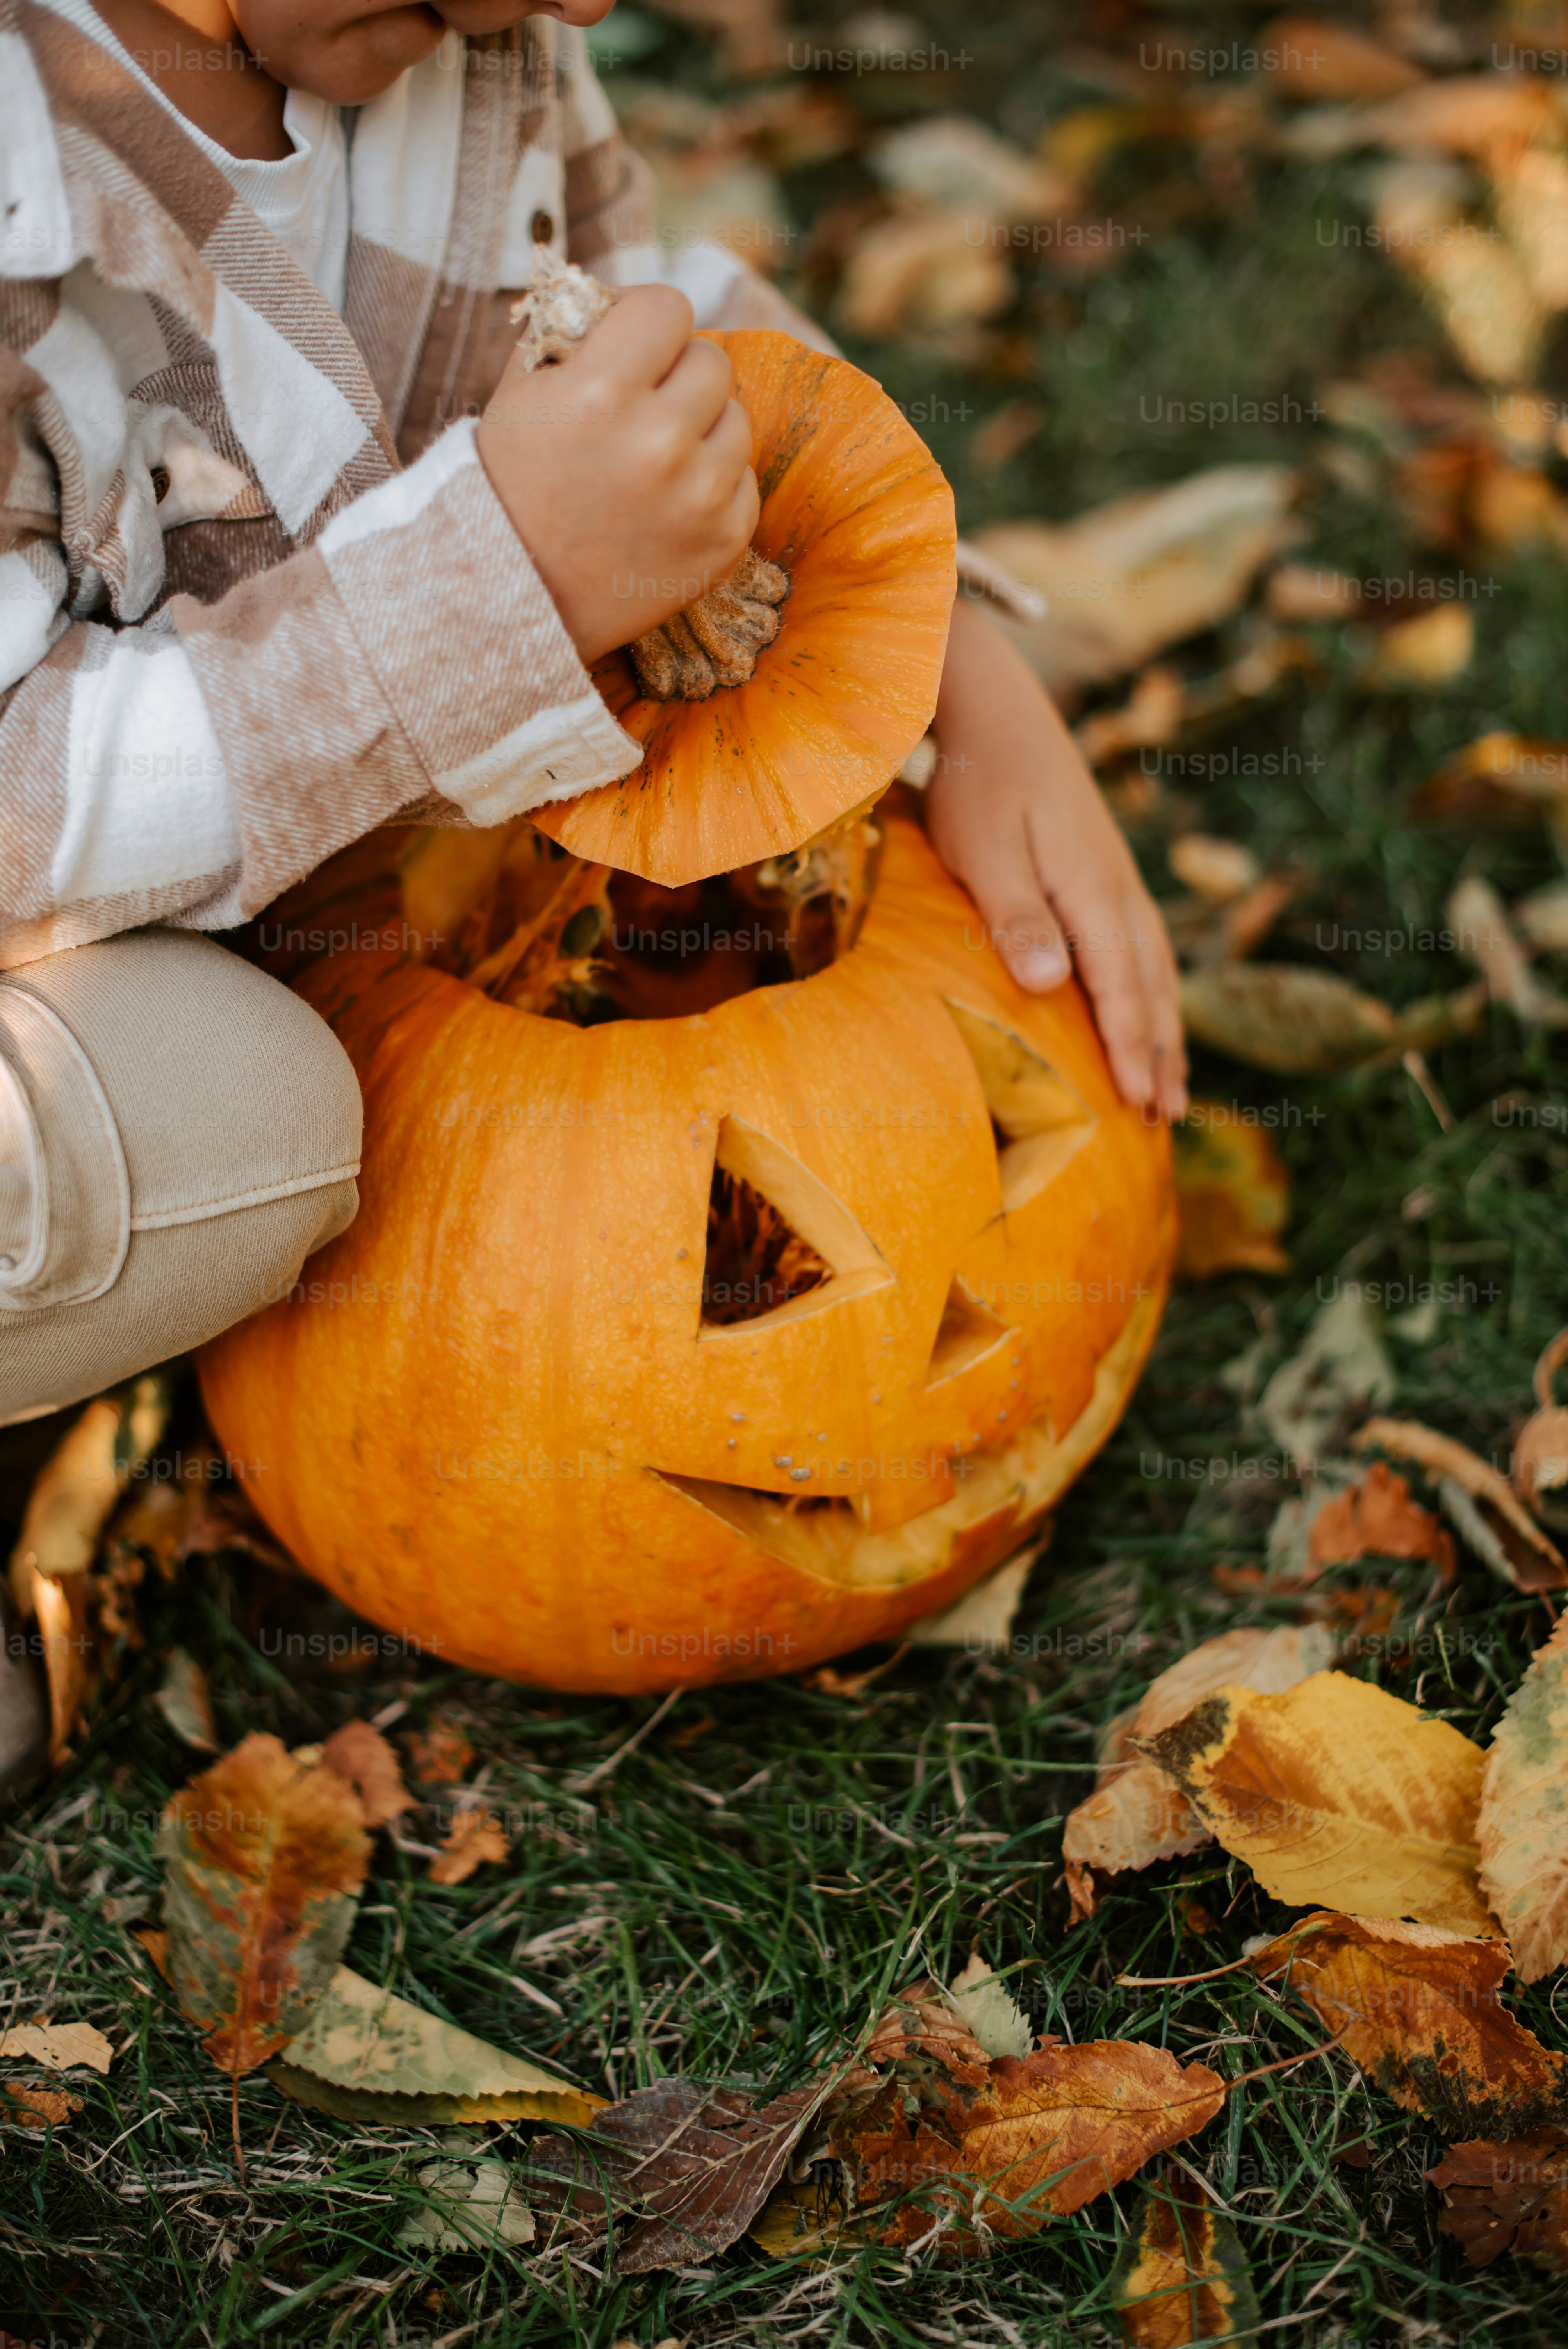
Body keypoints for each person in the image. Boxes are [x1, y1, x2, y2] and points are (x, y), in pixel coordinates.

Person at [0, 0, 1186, 1784]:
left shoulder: (474, 43)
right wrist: (483, 599)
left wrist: (955, 676)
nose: (567, 10)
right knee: (215, 1124)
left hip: (303, 901)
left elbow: (665, 338)